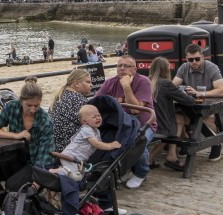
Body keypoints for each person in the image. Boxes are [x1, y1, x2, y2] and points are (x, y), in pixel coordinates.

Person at [0, 78, 56, 192]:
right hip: (14, 157)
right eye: (29, 105)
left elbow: (44, 158)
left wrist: (36, 183)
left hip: (34, 163)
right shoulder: (12, 107)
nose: (32, 109)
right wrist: (15, 135)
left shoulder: (45, 121)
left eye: (36, 106)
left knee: (13, 185)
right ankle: (7, 206)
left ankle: (13, 205)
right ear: (21, 100)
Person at [96, 54, 154, 188]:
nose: (122, 69)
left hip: (144, 124)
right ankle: (116, 171)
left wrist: (126, 87)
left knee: (137, 140)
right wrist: (117, 101)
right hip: (118, 124)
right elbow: (98, 102)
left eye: (126, 66)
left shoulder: (143, 81)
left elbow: (136, 110)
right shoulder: (110, 83)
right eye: (119, 65)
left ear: (134, 69)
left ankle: (141, 172)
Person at [172, 44, 223, 161]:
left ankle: (215, 144)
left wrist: (200, 93)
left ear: (202, 57)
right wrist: (182, 91)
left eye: (197, 59)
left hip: (208, 105)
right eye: (190, 60)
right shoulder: (184, 68)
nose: (194, 62)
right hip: (189, 105)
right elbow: (173, 87)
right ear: (186, 59)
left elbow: (222, 91)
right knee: (177, 117)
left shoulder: (211, 67)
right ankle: (186, 142)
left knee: (206, 119)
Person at [147, 56, 196, 172]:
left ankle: (170, 155)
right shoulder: (166, 84)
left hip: (148, 122)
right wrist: (192, 93)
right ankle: (156, 158)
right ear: (166, 69)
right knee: (174, 126)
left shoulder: (146, 81)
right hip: (162, 127)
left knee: (179, 119)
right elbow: (189, 101)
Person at [52, 105, 120, 176]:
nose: (98, 118)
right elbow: (97, 144)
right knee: (75, 175)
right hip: (69, 157)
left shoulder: (97, 131)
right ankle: (54, 171)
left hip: (78, 161)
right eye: (94, 117)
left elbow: (99, 144)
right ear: (84, 121)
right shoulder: (86, 129)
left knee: (81, 175)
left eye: (99, 115)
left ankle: (63, 170)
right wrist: (111, 146)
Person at [49, 69, 94, 151]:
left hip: (52, 145)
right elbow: (91, 124)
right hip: (68, 147)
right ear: (76, 83)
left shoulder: (60, 96)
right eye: (88, 82)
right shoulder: (79, 99)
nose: (91, 85)